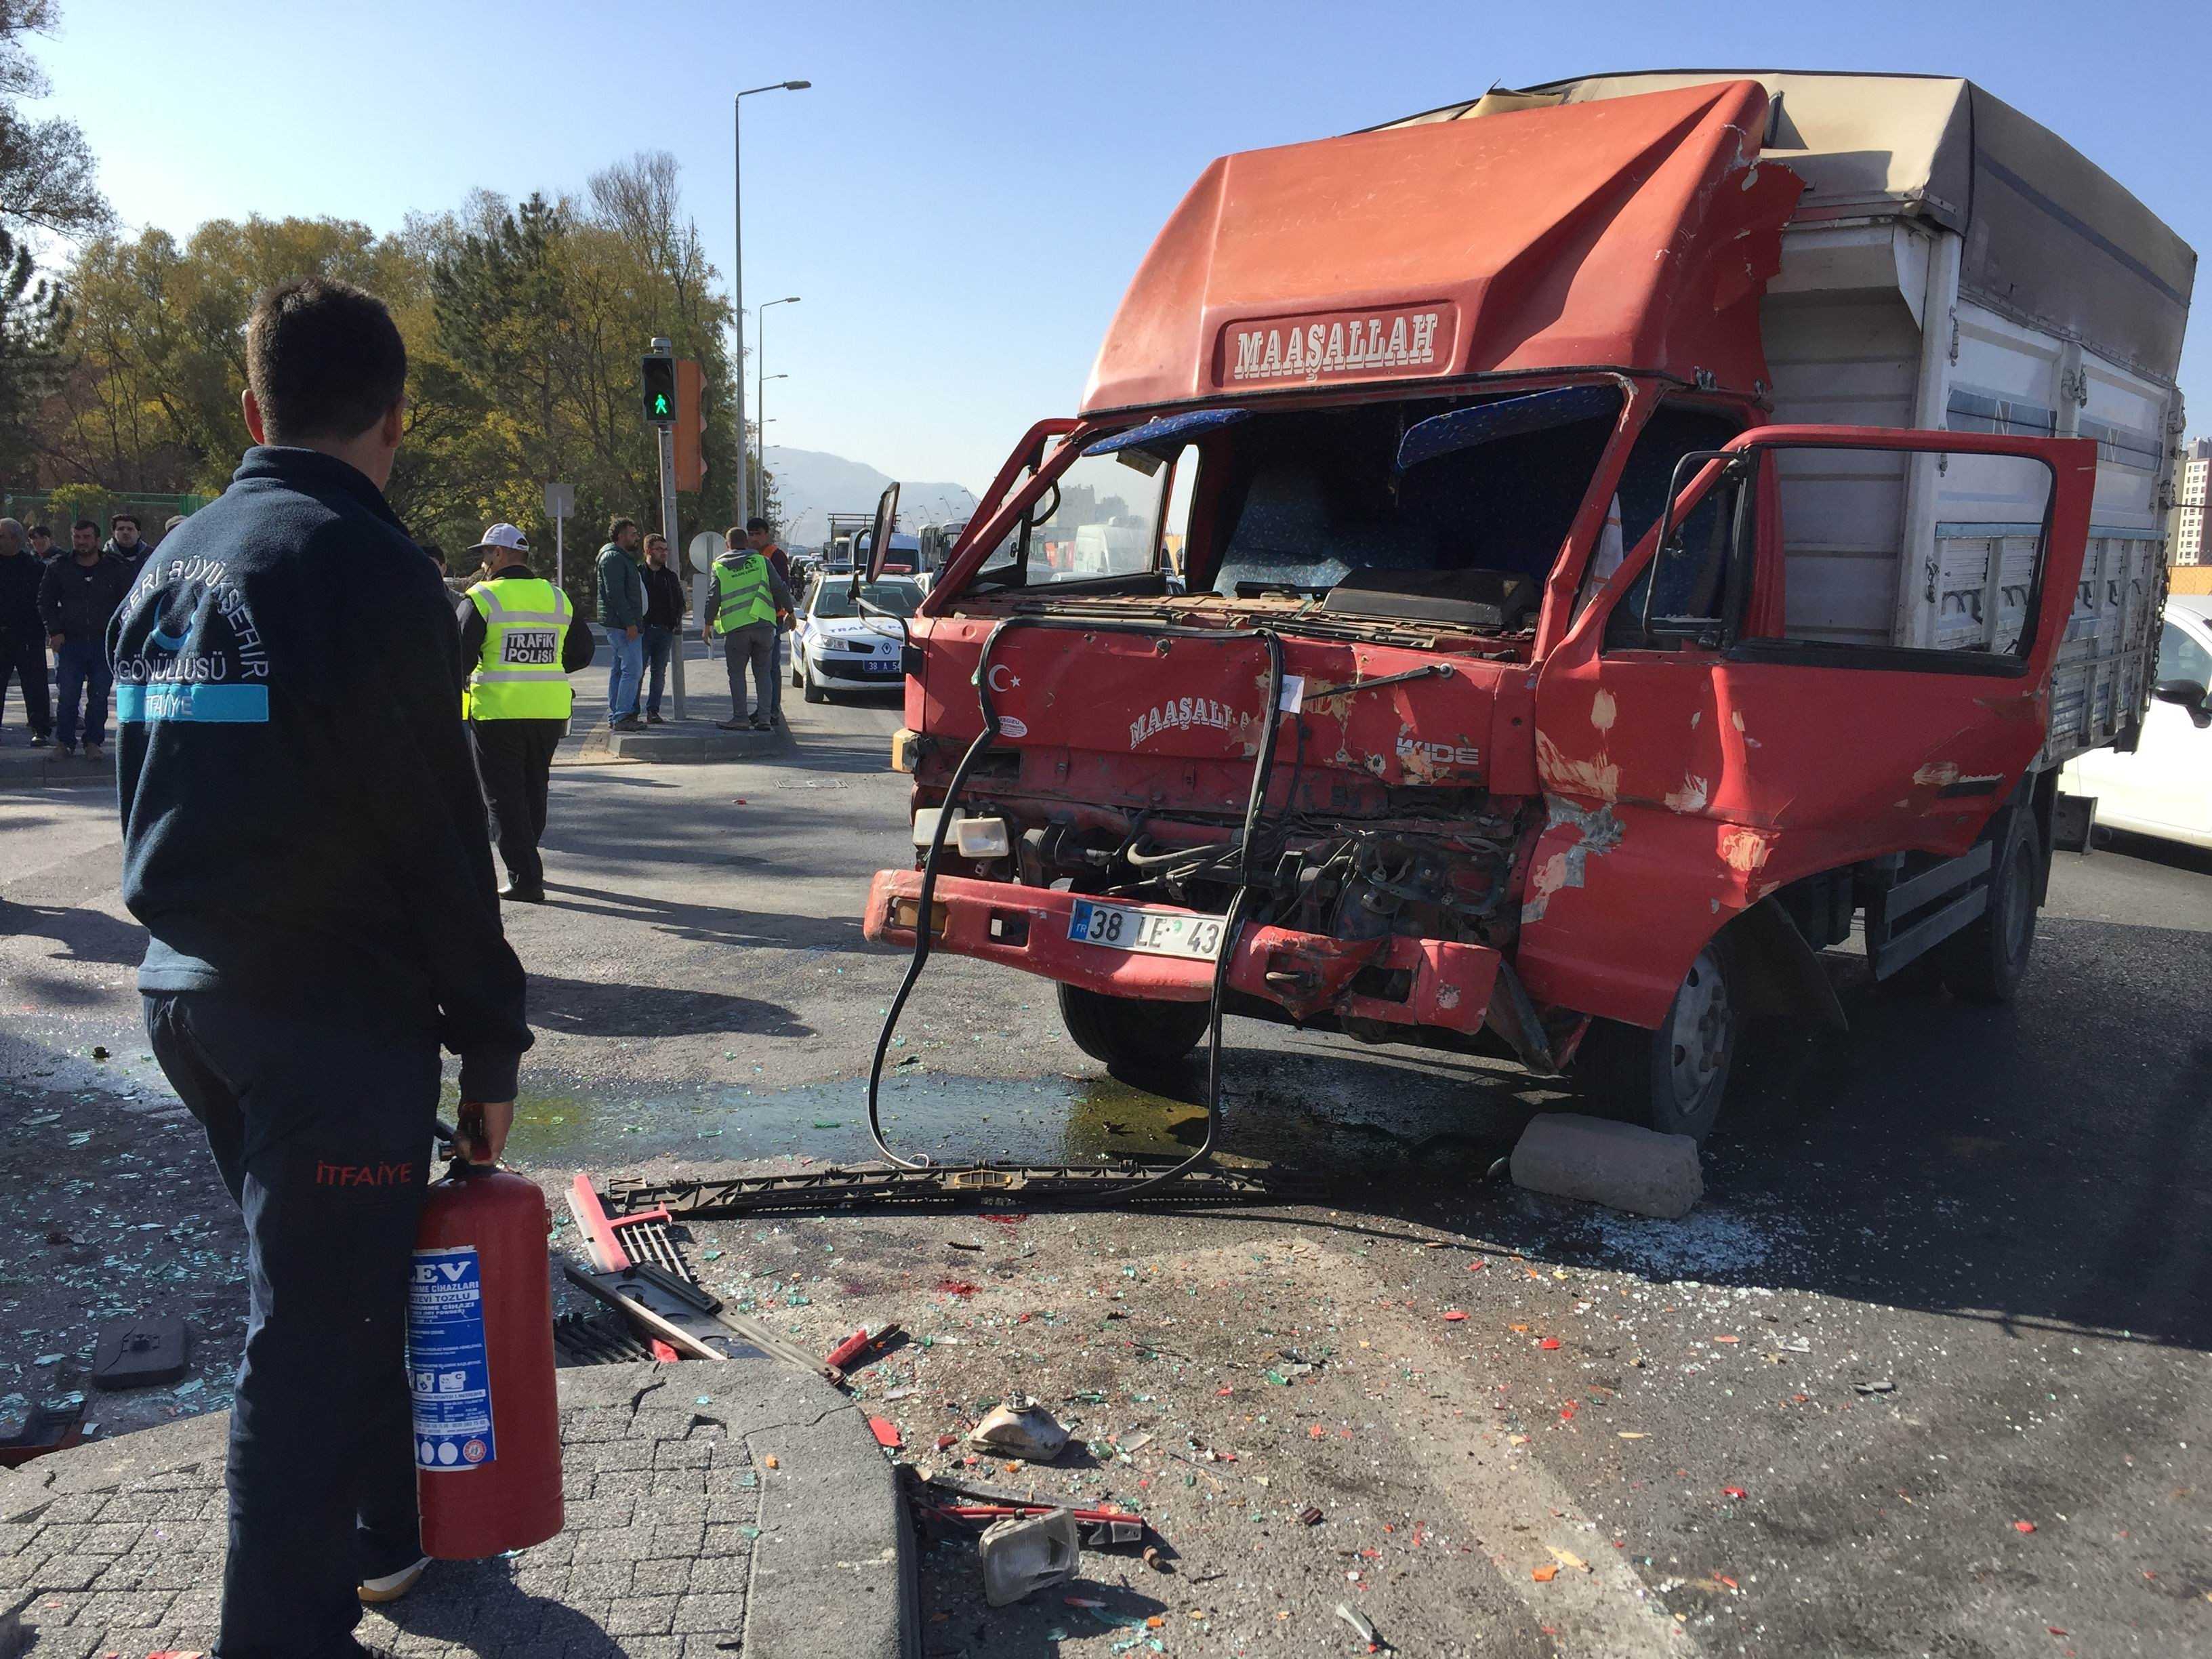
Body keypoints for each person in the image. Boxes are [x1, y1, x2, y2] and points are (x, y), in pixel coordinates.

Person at [111, 275, 531, 1658]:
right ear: (395, 420)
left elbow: (152, 790)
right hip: (324, 1022)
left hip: (192, 1000)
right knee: (305, 1340)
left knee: (323, 1289)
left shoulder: (173, 564)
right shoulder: (368, 572)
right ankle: (280, 1635)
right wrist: (492, 1041)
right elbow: (437, 834)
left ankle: (379, 1540)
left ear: (252, 408)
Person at [455, 522, 594, 901]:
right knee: (535, 788)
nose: (483, 562)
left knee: (502, 797)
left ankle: (526, 878)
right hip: (548, 711)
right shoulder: (556, 597)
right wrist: (543, 665)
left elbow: (457, 657)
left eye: (485, 554)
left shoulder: (482, 597)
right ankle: (527, 856)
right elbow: (582, 652)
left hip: (498, 711)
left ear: (499, 555)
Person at [38, 518, 131, 759]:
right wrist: (54, 631)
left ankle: (93, 743)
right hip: (70, 643)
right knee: (68, 695)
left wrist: (121, 635)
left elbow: (129, 604)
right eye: (77, 537)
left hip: (104, 643)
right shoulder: (59, 567)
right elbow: (45, 602)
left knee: (99, 696)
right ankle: (64, 742)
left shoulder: (115, 567)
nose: (81, 542)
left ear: (97, 540)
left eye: (86, 537)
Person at [707, 523, 793, 731]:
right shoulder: (762, 561)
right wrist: (791, 612)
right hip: (764, 626)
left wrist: (707, 624)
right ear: (746, 543)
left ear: (727, 545)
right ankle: (764, 718)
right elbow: (780, 587)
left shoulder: (719, 566)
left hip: (737, 630)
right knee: (763, 674)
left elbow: (713, 598)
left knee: (737, 675)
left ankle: (741, 718)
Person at [0, 518, 52, 745]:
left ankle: (40, 730)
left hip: (28, 636)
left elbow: (44, 602)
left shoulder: (35, 568)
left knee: (35, 684)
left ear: (14, 538)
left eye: (1, 536)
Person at [595, 516, 647, 732]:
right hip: (623, 626)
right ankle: (623, 716)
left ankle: (618, 714)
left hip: (624, 624)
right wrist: (630, 623)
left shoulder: (621, 557)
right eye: (633, 534)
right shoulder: (613, 558)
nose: (637, 537)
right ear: (620, 536)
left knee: (620, 670)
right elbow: (615, 594)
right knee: (633, 670)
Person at [745, 517, 794, 727]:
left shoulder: (775, 555)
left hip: (772, 618)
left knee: (771, 668)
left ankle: (773, 711)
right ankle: (764, 709)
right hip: (753, 618)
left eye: (758, 533)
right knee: (760, 670)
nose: (754, 538)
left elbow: (781, 587)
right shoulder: (749, 555)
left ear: (767, 534)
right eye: (751, 534)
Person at [639, 531, 686, 724]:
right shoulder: (639, 573)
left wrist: (675, 621)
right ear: (648, 550)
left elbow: (680, 601)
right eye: (659, 549)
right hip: (643, 631)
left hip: (664, 631)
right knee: (637, 671)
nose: (663, 553)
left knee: (659, 672)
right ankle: (631, 711)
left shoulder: (669, 576)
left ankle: (653, 711)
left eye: (666, 550)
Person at [105, 511, 149, 579]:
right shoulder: (104, 559)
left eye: (130, 529)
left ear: (139, 534)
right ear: (114, 533)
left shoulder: (152, 555)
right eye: (121, 529)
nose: (125, 532)